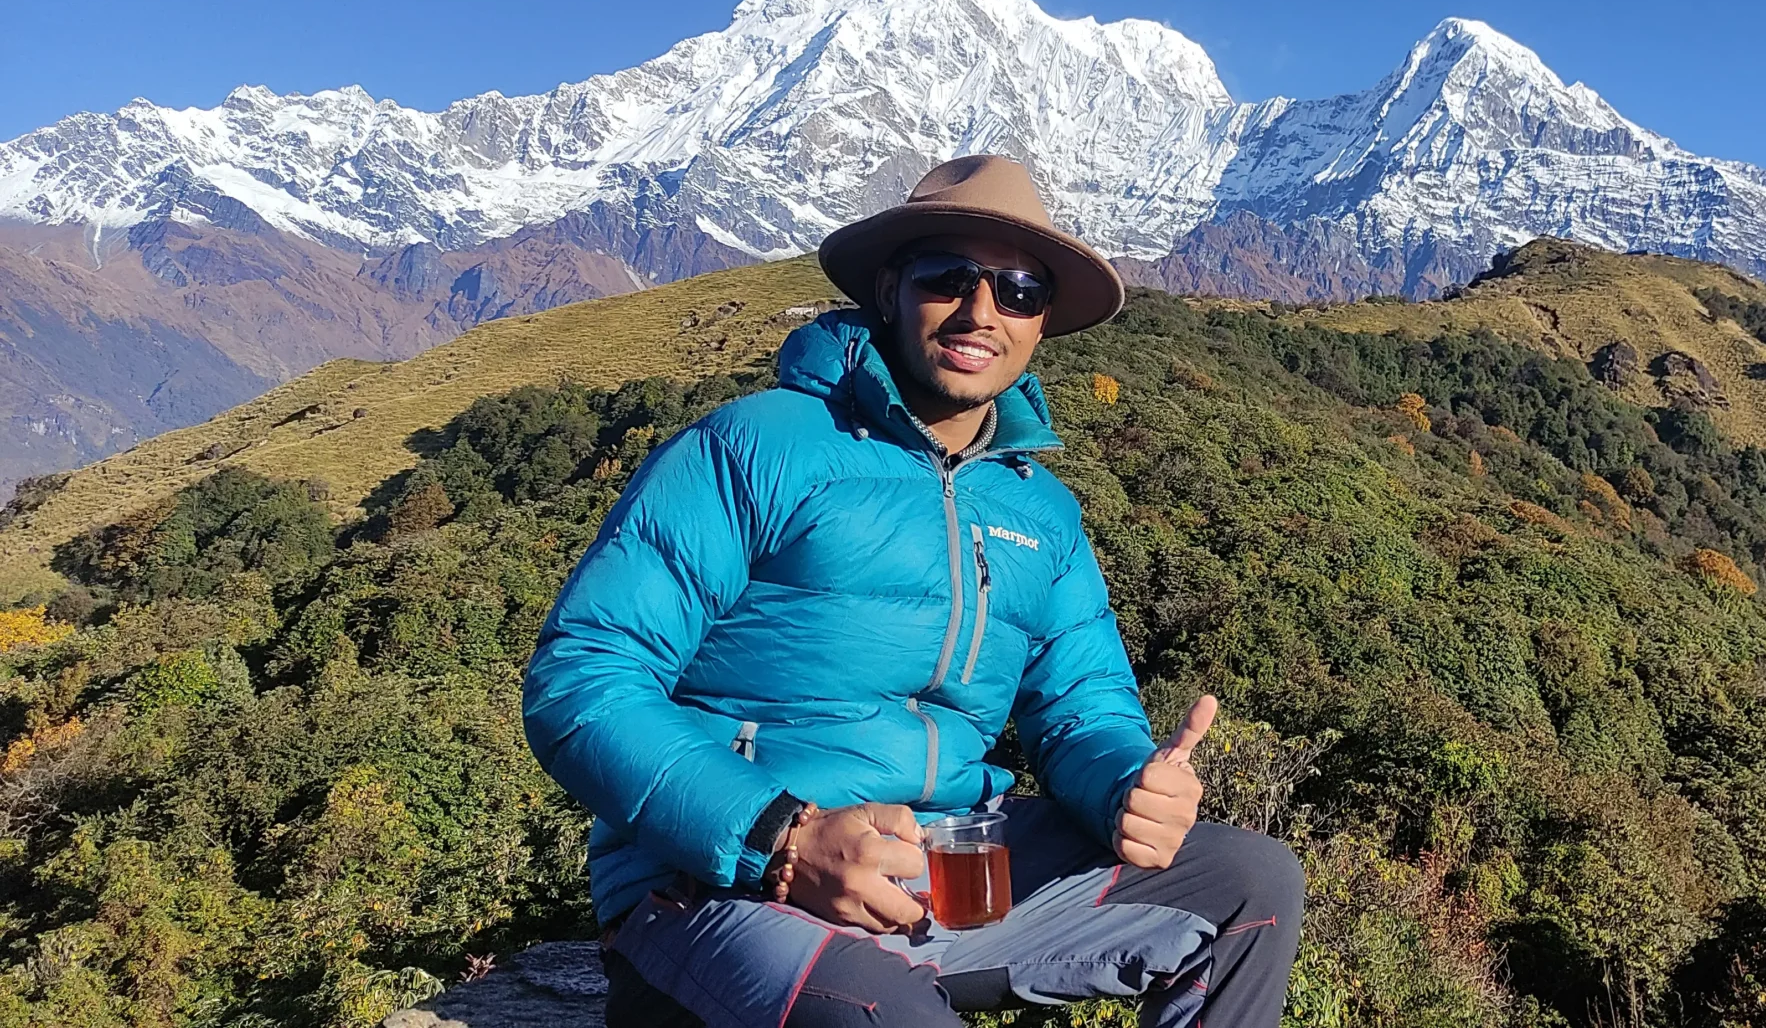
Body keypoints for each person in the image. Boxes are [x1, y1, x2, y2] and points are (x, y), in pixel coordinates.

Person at [523, 156, 1305, 1028]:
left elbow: (1083, 707)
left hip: (950, 866)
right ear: (892, 287)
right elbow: (585, 677)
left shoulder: (1038, 510)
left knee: (1253, 888)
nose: (981, 311)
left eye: (1017, 290)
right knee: (880, 1007)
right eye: (948, 278)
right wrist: (780, 838)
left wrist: (1130, 785)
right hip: (721, 884)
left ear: (1042, 321)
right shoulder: (757, 445)